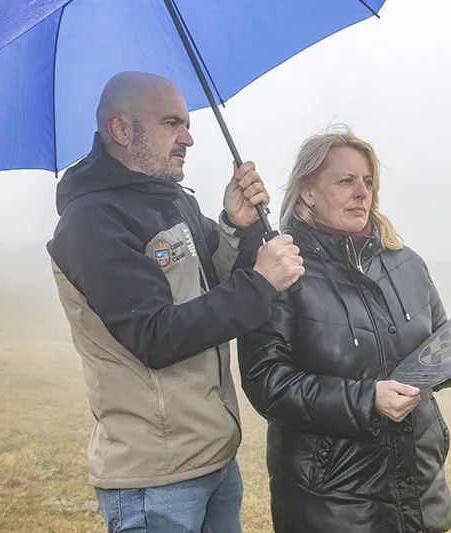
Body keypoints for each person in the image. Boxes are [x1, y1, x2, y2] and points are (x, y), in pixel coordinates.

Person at [46, 71, 304, 533]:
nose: (187, 137)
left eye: (186, 123)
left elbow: (209, 284)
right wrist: (262, 282)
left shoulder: (170, 201)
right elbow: (157, 335)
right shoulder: (92, 222)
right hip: (156, 478)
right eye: (171, 123)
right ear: (121, 129)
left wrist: (234, 224)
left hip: (212, 457)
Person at [236, 128, 451, 533]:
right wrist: (366, 399)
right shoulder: (280, 268)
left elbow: (438, 349)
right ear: (307, 192)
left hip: (421, 492)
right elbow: (266, 381)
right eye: (346, 181)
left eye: (368, 182)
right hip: (334, 505)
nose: (362, 193)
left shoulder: (406, 263)